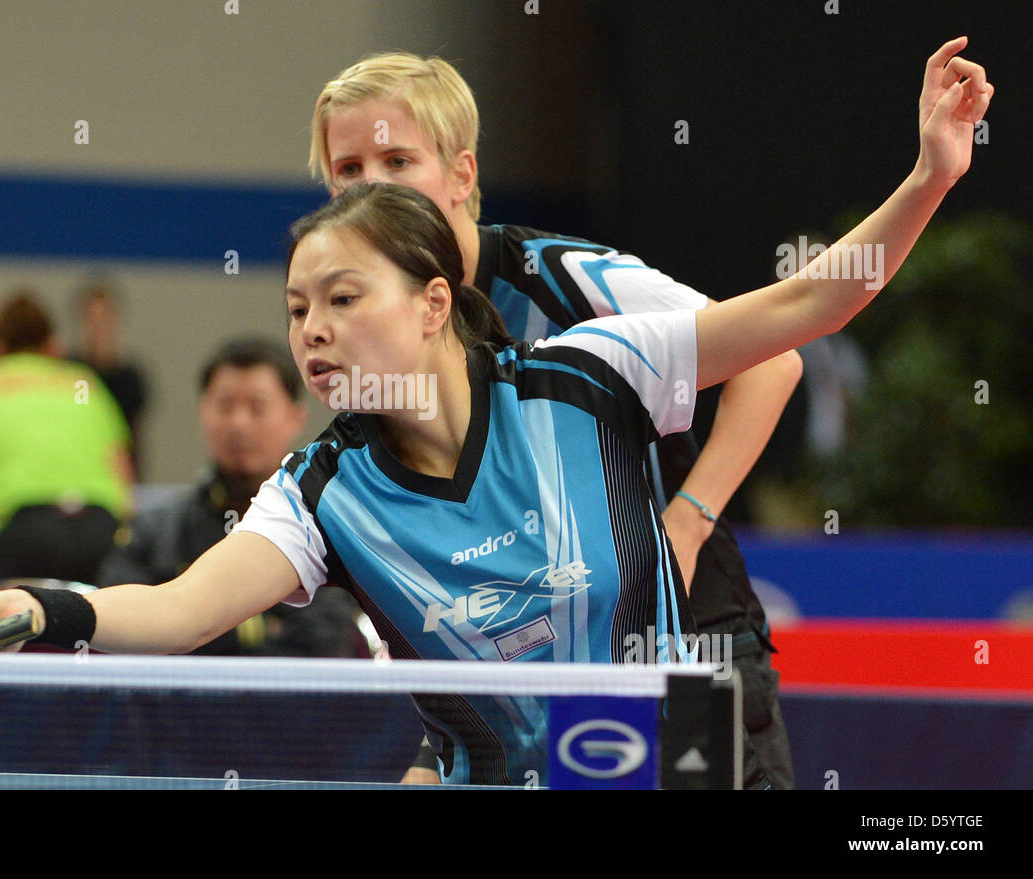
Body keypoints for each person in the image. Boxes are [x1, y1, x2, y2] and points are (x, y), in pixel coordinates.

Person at [0, 39, 991, 785]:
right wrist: (38, 606)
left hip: (669, 721)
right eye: (297, 309)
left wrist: (929, 177)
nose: (312, 331)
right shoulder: (318, 489)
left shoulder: (590, 366)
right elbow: (174, 610)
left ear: (435, 298)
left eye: (343, 300)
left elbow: (803, 313)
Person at [306, 50, 807, 788]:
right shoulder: (363, 335)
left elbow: (773, 361)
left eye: (398, 159)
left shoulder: (564, 275)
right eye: (348, 169)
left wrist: (687, 523)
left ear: (463, 174)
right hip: (528, 674)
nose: (372, 184)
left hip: (687, 640)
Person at [97, 336, 364, 658]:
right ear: (202, 411)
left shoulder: (325, 533)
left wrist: (189, 630)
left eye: (257, 407)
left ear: (295, 417)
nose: (239, 424)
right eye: (225, 406)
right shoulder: (153, 530)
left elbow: (321, 646)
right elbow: (121, 636)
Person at [0, 292, 134, 584]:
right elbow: (126, 494)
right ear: (54, 348)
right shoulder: (86, 384)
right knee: (109, 622)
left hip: (22, 533)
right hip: (101, 531)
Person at [71, 279, 149, 478]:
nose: (98, 325)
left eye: (104, 316)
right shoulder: (70, 372)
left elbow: (133, 439)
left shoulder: (131, 378)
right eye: (92, 317)